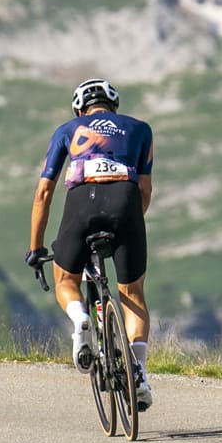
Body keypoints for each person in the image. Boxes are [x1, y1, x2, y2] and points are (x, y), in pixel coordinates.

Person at [26, 77, 157, 411]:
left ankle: (80, 319)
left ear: (80, 109)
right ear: (114, 106)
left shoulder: (67, 130)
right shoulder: (141, 130)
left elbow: (43, 192)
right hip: (125, 200)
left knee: (65, 280)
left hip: (82, 199)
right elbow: (145, 192)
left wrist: (35, 248)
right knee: (132, 293)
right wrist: (126, 223)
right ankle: (138, 372)